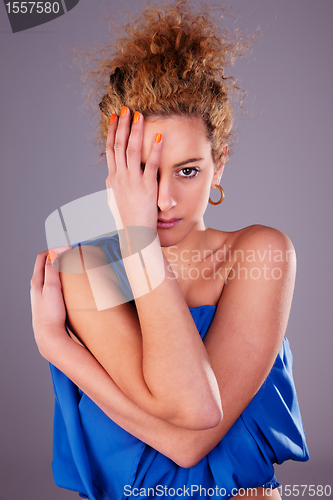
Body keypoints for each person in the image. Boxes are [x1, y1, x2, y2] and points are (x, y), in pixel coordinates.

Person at [30, 2, 309, 499]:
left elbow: (192, 434)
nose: (162, 200)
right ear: (115, 168)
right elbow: (188, 425)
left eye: (187, 170)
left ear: (218, 165)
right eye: (144, 170)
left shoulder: (261, 253)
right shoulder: (83, 268)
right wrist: (137, 245)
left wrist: (62, 350)